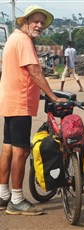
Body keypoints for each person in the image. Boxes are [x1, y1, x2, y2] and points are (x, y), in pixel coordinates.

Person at [0, 5, 67, 216]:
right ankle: (17, 200)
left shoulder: (13, 38)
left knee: (9, 148)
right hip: (19, 103)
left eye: (42, 23)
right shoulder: (24, 40)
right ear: (25, 21)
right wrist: (53, 96)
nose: (39, 25)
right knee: (21, 150)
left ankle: (3, 195)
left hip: (10, 100)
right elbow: (35, 71)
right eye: (35, 21)